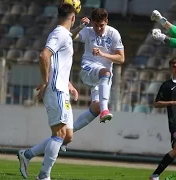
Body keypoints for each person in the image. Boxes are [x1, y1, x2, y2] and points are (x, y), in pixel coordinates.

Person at [17, 4, 79, 180]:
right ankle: (44, 176)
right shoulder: (59, 33)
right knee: (59, 134)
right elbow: (44, 56)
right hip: (56, 90)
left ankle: (27, 155)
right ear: (73, 17)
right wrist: (46, 81)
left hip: (62, 88)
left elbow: (56, 64)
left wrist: (69, 83)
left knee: (67, 136)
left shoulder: (64, 35)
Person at [60, 8, 125, 151]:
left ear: (106, 22)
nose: (98, 28)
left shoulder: (113, 34)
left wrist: (103, 54)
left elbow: (121, 58)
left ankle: (66, 137)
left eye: (101, 25)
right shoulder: (88, 31)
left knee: (95, 108)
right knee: (106, 73)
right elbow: (70, 37)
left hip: (102, 79)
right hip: (88, 69)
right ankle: (105, 111)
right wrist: (81, 26)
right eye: (96, 25)